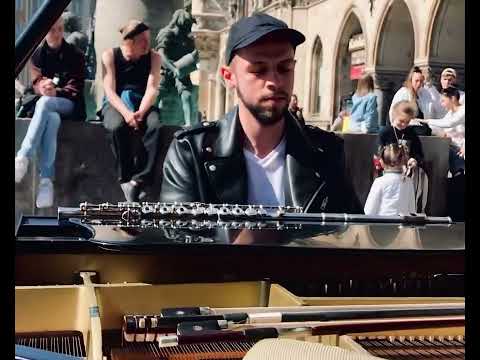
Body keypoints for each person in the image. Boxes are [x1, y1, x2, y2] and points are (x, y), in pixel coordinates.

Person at [160, 13, 357, 213]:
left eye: (285, 68)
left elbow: (351, 236)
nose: (275, 82)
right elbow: (179, 237)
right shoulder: (191, 151)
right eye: (259, 70)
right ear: (229, 77)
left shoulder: (326, 152)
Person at [15, 16, 86, 208]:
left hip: (69, 105)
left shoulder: (76, 55)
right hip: (48, 107)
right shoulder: (37, 54)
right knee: (52, 119)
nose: (56, 33)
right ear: (44, 32)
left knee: (46, 103)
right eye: (52, 30)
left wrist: (56, 92)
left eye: (59, 29)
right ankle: (46, 182)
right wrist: (42, 86)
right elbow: (36, 80)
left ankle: (23, 156)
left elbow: (75, 88)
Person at [100, 20, 162, 202]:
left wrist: (141, 112)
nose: (147, 44)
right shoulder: (110, 55)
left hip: (142, 102)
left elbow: (152, 88)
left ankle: (141, 179)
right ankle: (125, 178)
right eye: (142, 40)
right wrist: (127, 114)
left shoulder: (154, 57)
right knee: (116, 127)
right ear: (130, 41)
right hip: (116, 103)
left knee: (155, 126)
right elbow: (109, 91)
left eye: (148, 39)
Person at [418, 86, 465, 177]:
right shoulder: (451, 113)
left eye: (443, 101)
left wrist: (425, 121)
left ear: (453, 99)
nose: (441, 104)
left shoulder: (463, 110)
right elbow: (441, 127)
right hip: (455, 151)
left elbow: (449, 123)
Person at [364, 144, 416, 216]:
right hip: (402, 225)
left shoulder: (379, 182)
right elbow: (412, 210)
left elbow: (369, 211)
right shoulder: (408, 182)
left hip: (383, 225)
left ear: (382, 162)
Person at [388, 66, 435, 135]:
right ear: (411, 80)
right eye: (416, 81)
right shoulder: (403, 93)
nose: (419, 84)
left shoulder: (424, 93)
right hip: (406, 126)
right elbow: (394, 114)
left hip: (422, 126)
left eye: (421, 81)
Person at [379, 100, 424, 168]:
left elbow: (418, 153)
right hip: (388, 169)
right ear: (394, 116)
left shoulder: (411, 133)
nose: (404, 124)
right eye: (401, 121)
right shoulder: (386, 132)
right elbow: (380, 152)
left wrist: (414, 160)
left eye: (407, 122)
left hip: (407, 170)